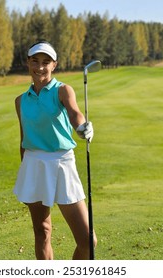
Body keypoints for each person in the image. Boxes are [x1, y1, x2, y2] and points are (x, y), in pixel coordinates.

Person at [13, 41, 97, 260]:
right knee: (42, 231)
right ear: (28, 63)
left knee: (88, 242)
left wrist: (82, 127)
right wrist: (25, 173)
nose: (40, 67)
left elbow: (74, 113)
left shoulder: (62, 90)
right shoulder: (20, 101)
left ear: (54, 65)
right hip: (33, 164)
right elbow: (24, 139)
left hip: (62, 164)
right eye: (35, 61)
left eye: (46, 62)